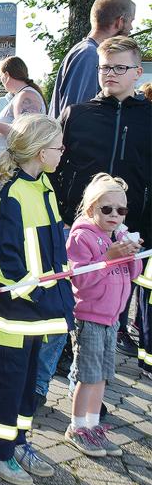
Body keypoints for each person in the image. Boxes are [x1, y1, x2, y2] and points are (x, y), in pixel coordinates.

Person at [51, 36, 150, 394]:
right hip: (79, 231)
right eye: (105, 68)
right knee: (71, 300)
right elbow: (56, 167)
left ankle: (92, 387)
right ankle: (62, 373)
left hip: (128, 232)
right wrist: (62, 210)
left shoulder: (149, 119)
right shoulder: (78, 115)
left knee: (110, 312)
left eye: (120, 67)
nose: (110, 74)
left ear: (137, 73)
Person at [0, 114, 74, 485]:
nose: (62, 152)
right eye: (58, 147)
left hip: (40, 314)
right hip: (17, 316)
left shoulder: (45, 188)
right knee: (7, 384)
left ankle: (17, 440)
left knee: (26, 385)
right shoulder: (13, 195)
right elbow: (0, 255)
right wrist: (33, 290)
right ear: (38, 151)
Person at [65, 174, 142, 457]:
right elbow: (82, 281)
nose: (114, 215)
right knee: (87, 375)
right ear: (91, 209)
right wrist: (108, 257)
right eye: (106, 209)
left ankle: (93, 424)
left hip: (112, 318)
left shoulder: (118, 236)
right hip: (90, 317)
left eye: (120, 210)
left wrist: (132, 256)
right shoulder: (82, 237)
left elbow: (132, 275)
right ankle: (77, 426)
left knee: (102, 376)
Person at [49, 0, 135, 120]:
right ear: (120, 22)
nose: (132, 28)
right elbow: (78, 116)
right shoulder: (90, 55)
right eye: (131, 21)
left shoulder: (85, 51)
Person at [0, 56, 46, 157]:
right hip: (7, 166)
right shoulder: (24, 94)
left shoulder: (26, 95)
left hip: (13, 167)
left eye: (0, 76)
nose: (1, 80)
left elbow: (25, 132)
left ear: (6, 75)